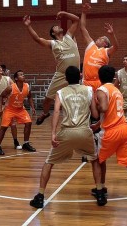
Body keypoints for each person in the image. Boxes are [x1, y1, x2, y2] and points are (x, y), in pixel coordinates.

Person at [30, 66, 105, 208]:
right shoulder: (89, 90)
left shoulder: (60, 92)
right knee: (95, 161)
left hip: (66, 132)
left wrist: (53, 133)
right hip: (84, 131)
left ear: (65, 78)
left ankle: (40, 196)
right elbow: (95, 115)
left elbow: (57, 112)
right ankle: (100, 193)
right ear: (80, 76)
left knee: (48, 163)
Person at [95, 65, 127, 208]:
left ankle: (101, 187)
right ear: (113, 77)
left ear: (99, 77)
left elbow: (103, 108)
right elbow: (112, 111)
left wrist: (94, 105)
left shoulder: (102, 90)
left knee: (98, 161)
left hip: (111, 131)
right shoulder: (117, 90)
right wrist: (98, 124)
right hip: (124, 129)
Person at [23, 11, 80, 125]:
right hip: (61, 75)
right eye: (55, 27)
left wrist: (64, 13)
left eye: (58, 26)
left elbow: (76, 19)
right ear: (53, 33)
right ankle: (45, 114)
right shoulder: (53, 43)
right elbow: (38, 39)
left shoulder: (69, 36)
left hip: (75, 75)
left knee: (77, 99)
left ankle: (77, 119)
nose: (58, 26)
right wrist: (29, 26)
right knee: (47, 100)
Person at [0, 70, 36, 155]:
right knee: (4, 127)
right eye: (21, 75)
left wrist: (32, 107)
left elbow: (30, 97)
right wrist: (0, 108)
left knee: (28, 123)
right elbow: (1, 96)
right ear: (16, 78)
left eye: (23, 74)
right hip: (9, 109)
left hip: (20, 109)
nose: (23, 75)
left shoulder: (27, 86)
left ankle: (26, 143)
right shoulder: (11, 87)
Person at [80, 2, 119, 93]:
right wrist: (83, 13)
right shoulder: (91, 46)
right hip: (86, 83)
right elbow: (82, 28)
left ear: (105, 43)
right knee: (87, 107)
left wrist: (112, 34)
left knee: (100, 107)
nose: (98, 38)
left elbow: (116, 47)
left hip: (99, 83)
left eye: (101, 38)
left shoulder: (106, 51)